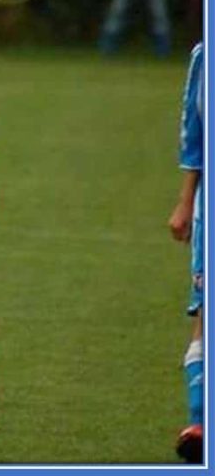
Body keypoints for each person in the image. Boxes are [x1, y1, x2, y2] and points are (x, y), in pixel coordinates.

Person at [167, 42, 204, 463]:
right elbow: (192, 135)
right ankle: (200, 424)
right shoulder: (202, 56)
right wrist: (186, 200)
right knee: (206, 316)